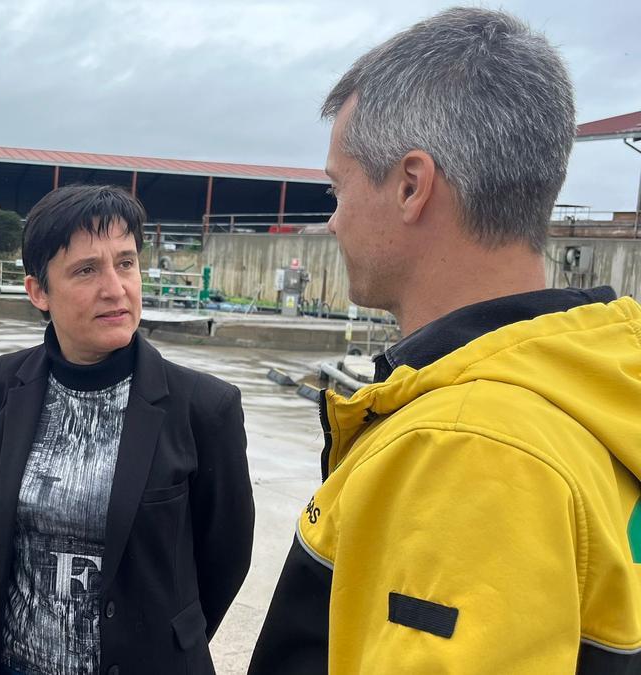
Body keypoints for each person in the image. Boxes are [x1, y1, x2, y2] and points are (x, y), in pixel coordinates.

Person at [249, 7, 641, 673]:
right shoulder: (593, 384)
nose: (333, 222)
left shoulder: (473, 448)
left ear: (411, 185)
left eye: (337, 189)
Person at [0, 185, 254, 675]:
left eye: (126, 263)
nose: (115, 288)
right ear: (39, 292)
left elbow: (225, 557)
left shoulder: (204, 407)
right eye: (86, 270)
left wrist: (166, 639)